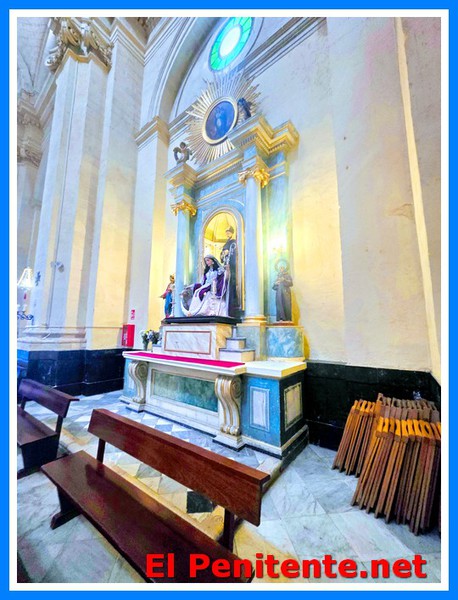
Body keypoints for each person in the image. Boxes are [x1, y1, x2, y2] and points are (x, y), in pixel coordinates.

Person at [220, 226, 238, 317]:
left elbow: (234, 254)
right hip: (225, 265)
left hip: (231, 266)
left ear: (232, 233)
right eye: (226, 232)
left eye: (229, 232)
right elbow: (222, 256)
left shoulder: (233, 242)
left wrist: (228, 253)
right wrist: (223, 255)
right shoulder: (226, 243)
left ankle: (232, 307)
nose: (227, 233)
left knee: (230, 285)